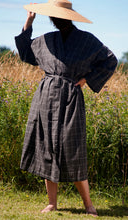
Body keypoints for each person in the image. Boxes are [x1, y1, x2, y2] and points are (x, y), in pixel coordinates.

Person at [15, 0, 117, 217]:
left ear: (67, 18)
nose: (58, 19)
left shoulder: (87, 41)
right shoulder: (47, 40)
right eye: (56, 17)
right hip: (45, 97)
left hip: (70, 98)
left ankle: (88, 205)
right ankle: (52, 203)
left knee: (74, 150)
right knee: (47, 149)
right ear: (52, 18)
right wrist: (28, 22)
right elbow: (25, 52)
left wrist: (88, 79)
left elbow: (110, 60)